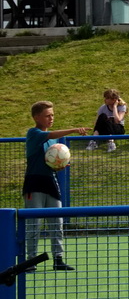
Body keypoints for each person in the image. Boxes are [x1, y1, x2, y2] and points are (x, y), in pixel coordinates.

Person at [23, 101, 88, 271]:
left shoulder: (53, 141)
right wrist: (74, 129)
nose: (51, 118)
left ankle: (58, 258)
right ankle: (31, 261)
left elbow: (51, 160)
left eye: (52, 115)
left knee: (57, 222)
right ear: (36, 117)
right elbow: (51, 135)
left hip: (50, 182)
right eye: (47, 115)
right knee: (34, 224)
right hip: (34, 183)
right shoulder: (34, 133)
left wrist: (59, 164)